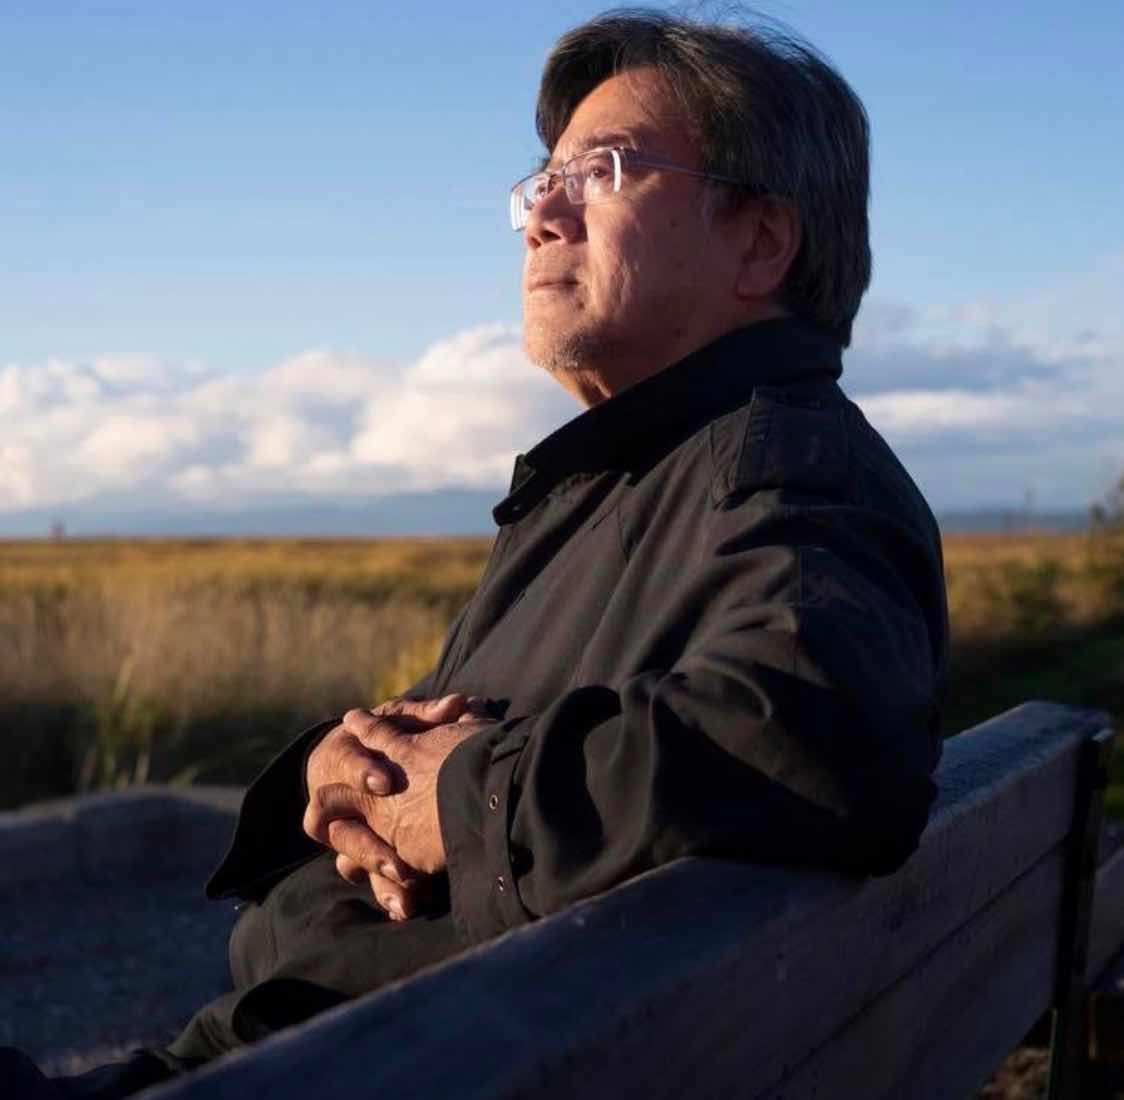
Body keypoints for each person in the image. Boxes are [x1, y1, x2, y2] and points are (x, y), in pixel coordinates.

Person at [8, 8, 949, 1096]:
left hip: (367, 1065)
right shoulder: (628, 483)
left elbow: (814, 731)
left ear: (760, 241)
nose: (540, 214)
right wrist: (341, 770)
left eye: (602, 171)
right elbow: (474, 730)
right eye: (540, 181)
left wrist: (461, 797)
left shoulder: (779, 469)